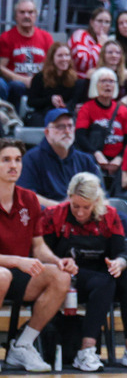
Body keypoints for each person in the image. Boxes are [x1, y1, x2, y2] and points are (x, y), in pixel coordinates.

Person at [41, 173, 127, 371]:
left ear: (96, 202)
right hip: (70, 276)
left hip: (101, 272)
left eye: (86, 207)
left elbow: (122, 253)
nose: (80, 213)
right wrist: (59, 263)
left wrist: (119, 263)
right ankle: (86, 351)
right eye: (75, 206)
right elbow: (43, 253)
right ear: (69, 198)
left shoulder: (109, 215)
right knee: (104, 283)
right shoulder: (53, 215)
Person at [0, 138, 76, 373]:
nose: (14, 165)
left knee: (60, 277)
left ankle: (22, 345)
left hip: (21, 274)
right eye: (6, 160)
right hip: (4, 271)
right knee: (1, 275)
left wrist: (56, 260)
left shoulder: (29, 199)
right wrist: (16, 261)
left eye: (18, 160)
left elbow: (38, 246)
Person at [76, 68, 127, 182]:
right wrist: (96, 154)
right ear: (95, 85)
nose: (108, 85)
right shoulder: (87, 108)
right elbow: (80, 136)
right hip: (94, 158)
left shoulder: (123, 110)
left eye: (111, 81)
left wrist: (120, 158)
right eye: (103, 81)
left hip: (119, 160)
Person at [0, 0, 53, 111]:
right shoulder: (6, 37)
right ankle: (13, 118)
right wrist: (21, 79)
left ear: (36, 15)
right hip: (15, 84)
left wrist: (37, 81)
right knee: (15, 86)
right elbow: (1, 67)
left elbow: (52, 64)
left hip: (40, 82)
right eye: (22, 12)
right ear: (16, 16)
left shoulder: (46, 37)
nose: (27, 16)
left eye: (30, 12)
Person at [26, 42, 82, 126]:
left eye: (67, 55)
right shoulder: (40, 77)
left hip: (66, 114)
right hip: (44, 114)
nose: (64, 59)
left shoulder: (74, 79)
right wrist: (50, 100)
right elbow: (31, 102)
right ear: (52, 58)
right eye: (60, 55)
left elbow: (73, 102)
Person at [70, 7, 112, 79]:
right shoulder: (80, 35)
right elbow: (82, 63)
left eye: (107, 22)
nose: (103, 25)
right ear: (92, 22)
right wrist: (100, 46)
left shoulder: (109, 40)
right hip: (80, 80)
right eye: (99, 21)